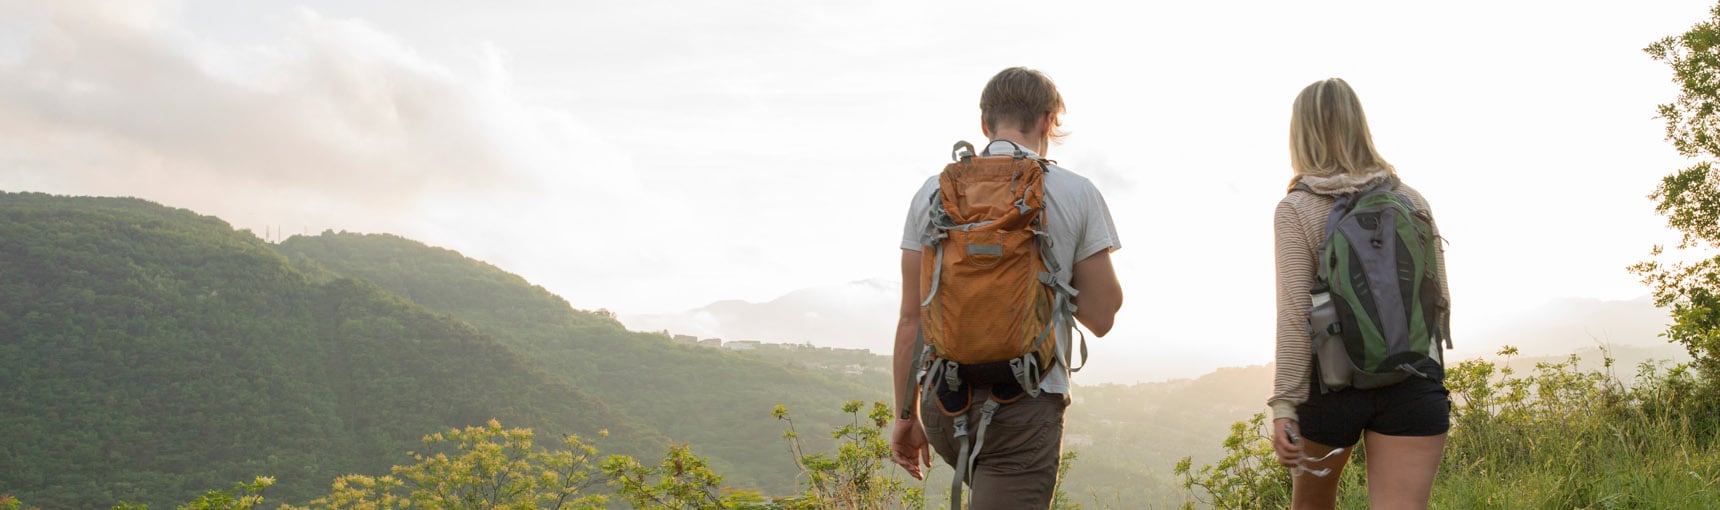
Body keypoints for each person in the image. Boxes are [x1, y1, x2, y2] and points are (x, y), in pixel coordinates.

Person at [889, 67, 1123, 509]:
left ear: (985, 124)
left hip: (944, 402)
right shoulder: (1075, 192)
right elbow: (1102, 315)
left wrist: (906, 414)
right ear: (1049, 120)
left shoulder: (933, 194)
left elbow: (910, 317)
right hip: (1023, 405)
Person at [1269, 77, 1452, 510]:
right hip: (1413, 380)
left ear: (1301, 134)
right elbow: (1438, 298)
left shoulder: (1297, 207)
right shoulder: (1411, 200)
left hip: (1332, 387)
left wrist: (1284, 403)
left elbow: (1296, 315)